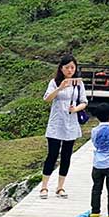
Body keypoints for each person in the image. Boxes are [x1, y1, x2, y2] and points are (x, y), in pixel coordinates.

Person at [40, 55, 88, 199]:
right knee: (52, 154)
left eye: (72, 67)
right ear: (61, 68)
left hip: (71, 123)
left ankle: (60, 187)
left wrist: (76, 109)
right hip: (56, 123)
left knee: (66, 156)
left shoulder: (78, 83)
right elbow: (47, 98)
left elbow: (84, 102)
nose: (70, 70)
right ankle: (44, 187)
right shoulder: (54, 82)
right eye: (67, 67)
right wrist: (60, 88)